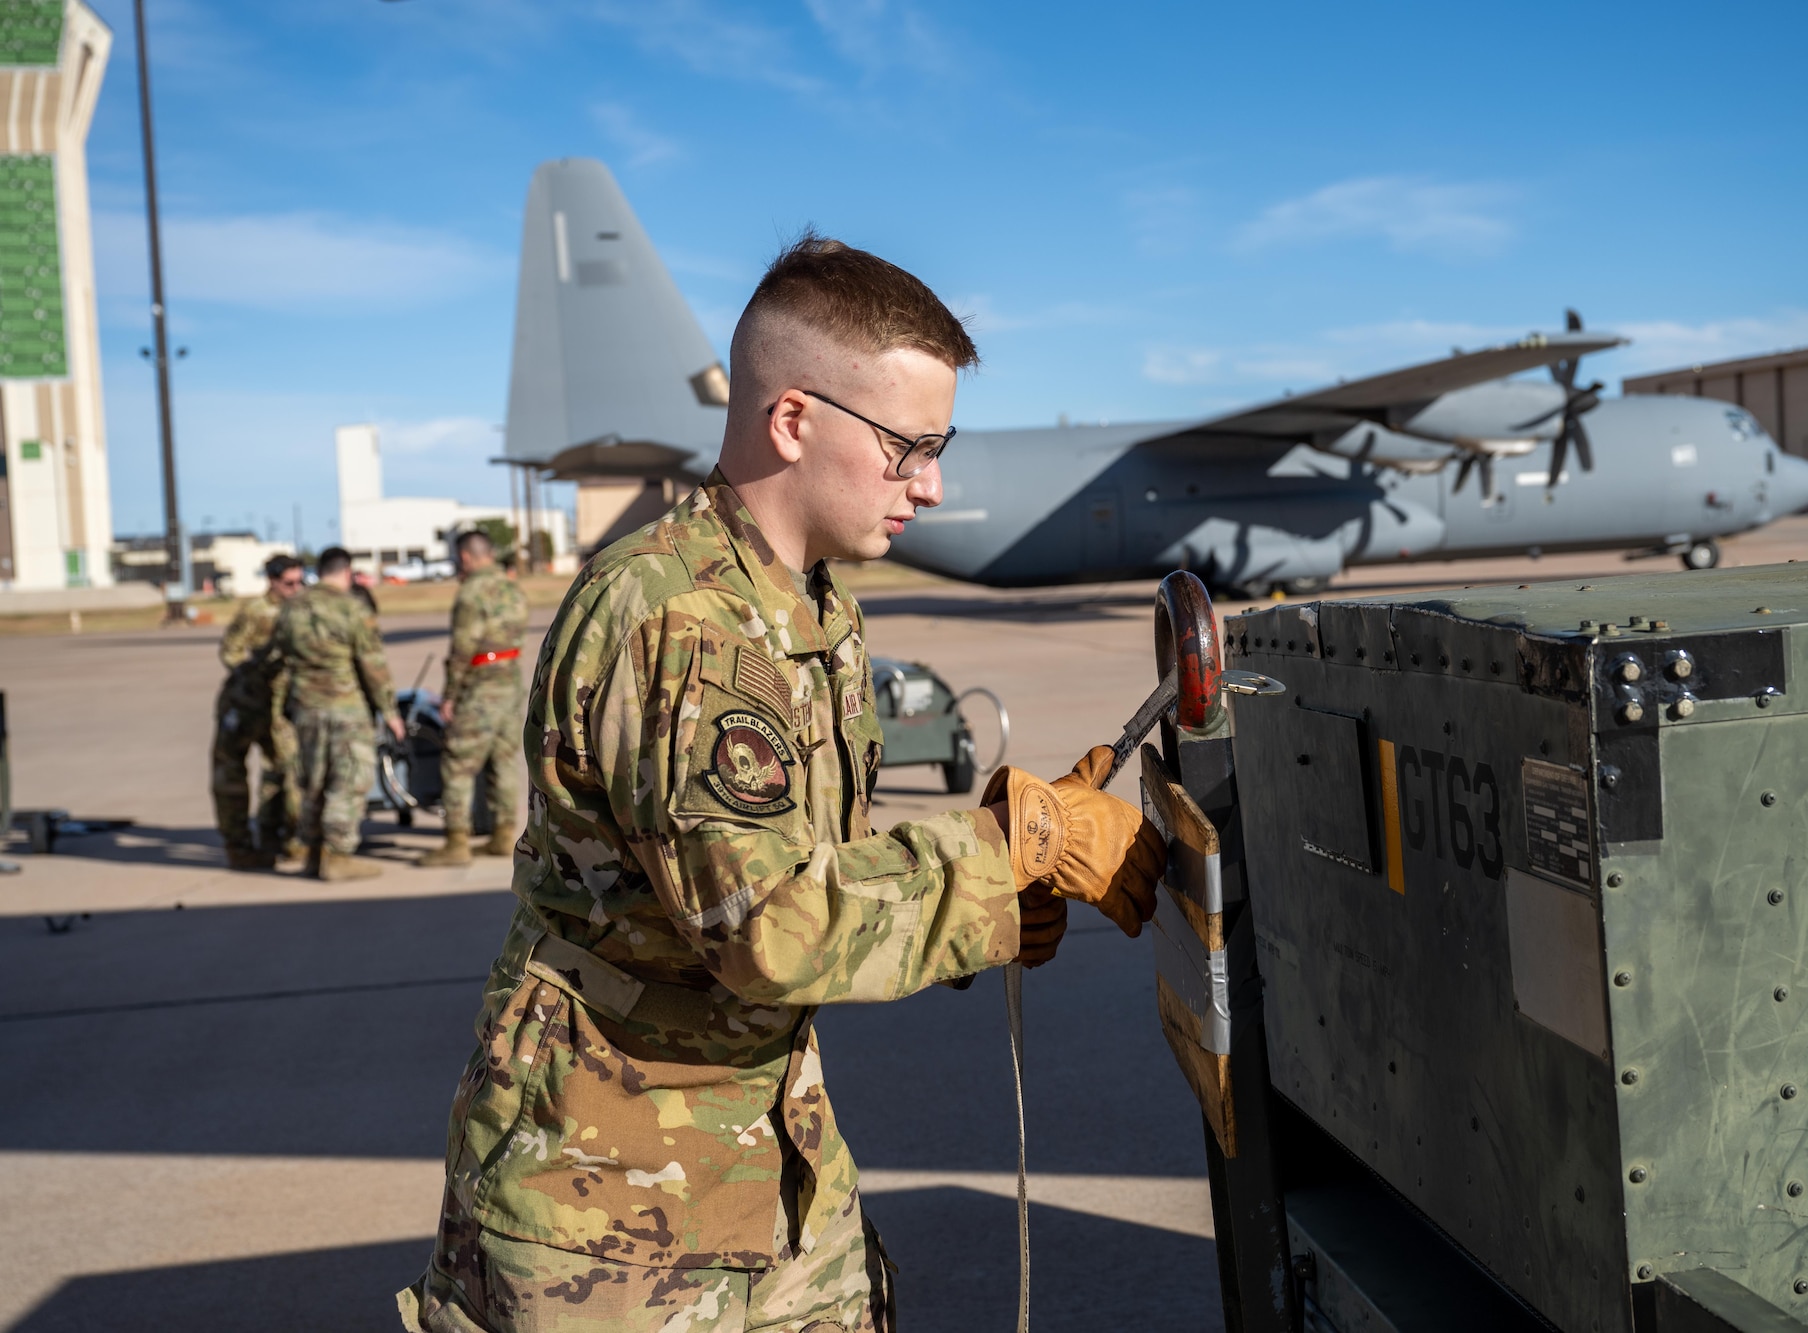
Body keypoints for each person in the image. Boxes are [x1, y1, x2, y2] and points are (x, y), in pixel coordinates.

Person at [399, 235, 1166, 1332]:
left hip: (755, 1158)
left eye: (937, 447)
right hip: (611, 1213)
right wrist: (1005, 857)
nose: (931, 483)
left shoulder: (801, 608)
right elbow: (769, 927)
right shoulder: (681, 621)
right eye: (908, 445)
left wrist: (990, 889)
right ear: (794, 419)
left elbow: (807, 869)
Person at [270, 546, 404, 881]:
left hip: (306, 708)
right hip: (346, 708)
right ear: (346, 573)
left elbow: (280, 655)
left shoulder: (291, 608)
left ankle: (314, 853)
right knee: (350, 779)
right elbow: (372, 665)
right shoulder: (352, 608)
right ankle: (339, 854)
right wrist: (390, 711)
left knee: (314, 780)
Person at [419, 529, 529, 867]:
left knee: (457, 763)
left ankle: (456, 842)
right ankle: (502, 834)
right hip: (510, 678)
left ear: (465, 557)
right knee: (503, 759)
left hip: (481, 684)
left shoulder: (471, 593)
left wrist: (450, 695)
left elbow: (463, 647)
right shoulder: (512, 587)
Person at [211, 553, 305, 869]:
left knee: (286, 773)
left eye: (299, 581)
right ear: (273, 581)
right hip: (244, 705)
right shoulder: (254, 611)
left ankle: (278, 837)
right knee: (231, 776)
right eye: (289, 583)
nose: (296, 588)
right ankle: (239, 847)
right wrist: (256, 671)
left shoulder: (301, 611)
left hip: (279, 709)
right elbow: (230, 651)